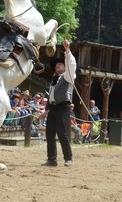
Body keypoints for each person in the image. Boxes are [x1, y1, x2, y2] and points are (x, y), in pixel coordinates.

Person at [43, 39, 76, 167]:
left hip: (63, 106)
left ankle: (68, 158)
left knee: (61, 132)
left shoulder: (68, 76)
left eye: (60, 65)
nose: (57, 66)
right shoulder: (54, 80)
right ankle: (52, 159)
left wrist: (67, 50)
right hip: (54, 108)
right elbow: (51, 98)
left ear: (64, 67)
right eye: (56, 65)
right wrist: (46, 111)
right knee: (49, 132)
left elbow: (71, 65)